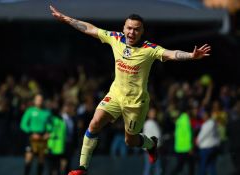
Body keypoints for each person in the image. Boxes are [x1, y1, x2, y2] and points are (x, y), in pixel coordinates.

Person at [49, 5, 211, 175]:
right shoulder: (115, 38)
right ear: (123, 28)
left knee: (131, 141)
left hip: (136, 103)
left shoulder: (149, 49)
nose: (132, 32)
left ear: (142, 32)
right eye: (129, 28)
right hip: (115, 95)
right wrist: (67, 19)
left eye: (136, 29)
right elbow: (91, 29)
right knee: (94, 123)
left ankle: (151, 144)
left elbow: (171, 54)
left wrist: (191, 56)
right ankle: (82, 168)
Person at [20, 94, 52, 175]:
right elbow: (23, 124)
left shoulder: (47, 112)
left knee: (41, 160)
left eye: (41, 99)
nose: (39, 101)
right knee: (28, 159)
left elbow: (50, 124)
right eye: (37, 99)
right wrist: (31, 133)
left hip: (42, 137)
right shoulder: (30, 111)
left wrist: (48, 133)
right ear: (34, 101)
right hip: (32, 136)